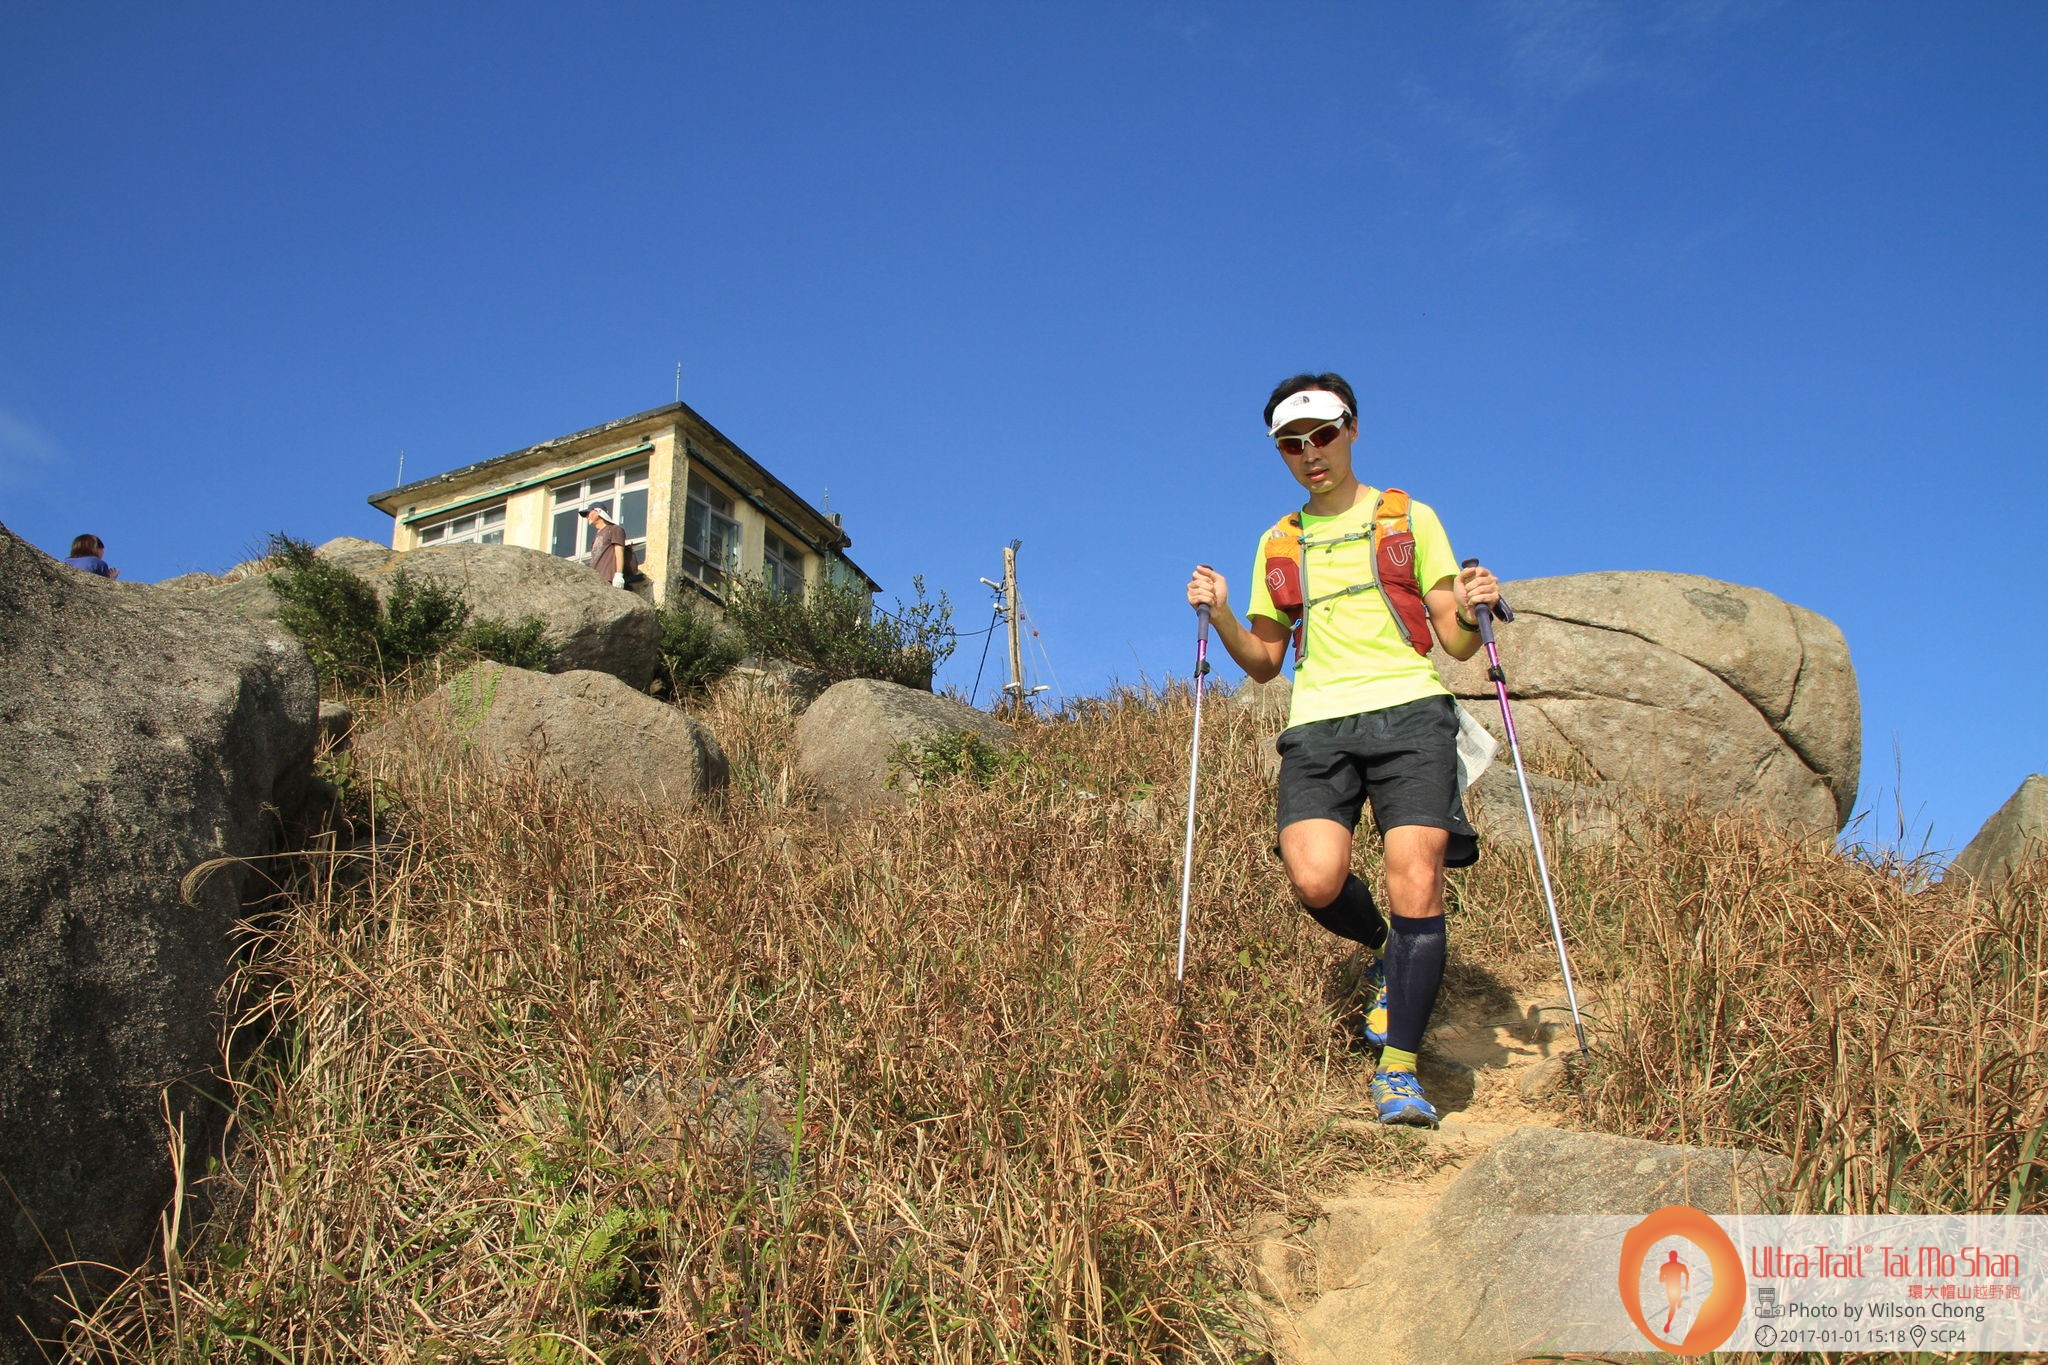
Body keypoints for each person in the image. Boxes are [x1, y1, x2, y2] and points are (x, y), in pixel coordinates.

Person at [1185, 372, 1501, 1127]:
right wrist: (1223, 615)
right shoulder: (1278, 541)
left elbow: (1456, 640)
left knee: (1414, 873)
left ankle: (1399, 1069)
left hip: (1411, 713)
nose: (1310, 453)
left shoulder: (1410, 518)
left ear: (1351, 429)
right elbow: (1265, 661)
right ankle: (1387, 953)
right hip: (1320, 723)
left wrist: (1475, 607)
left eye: (1322, 434)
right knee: (1315, 879)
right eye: (1291, 444)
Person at [582, 505, 632, 588]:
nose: (587, 516)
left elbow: (619, 552)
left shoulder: (614, 529)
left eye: (589, 513)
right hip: (596, 580)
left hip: (608, 578)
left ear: (598, 512)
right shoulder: (596, 536)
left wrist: (619, 574)